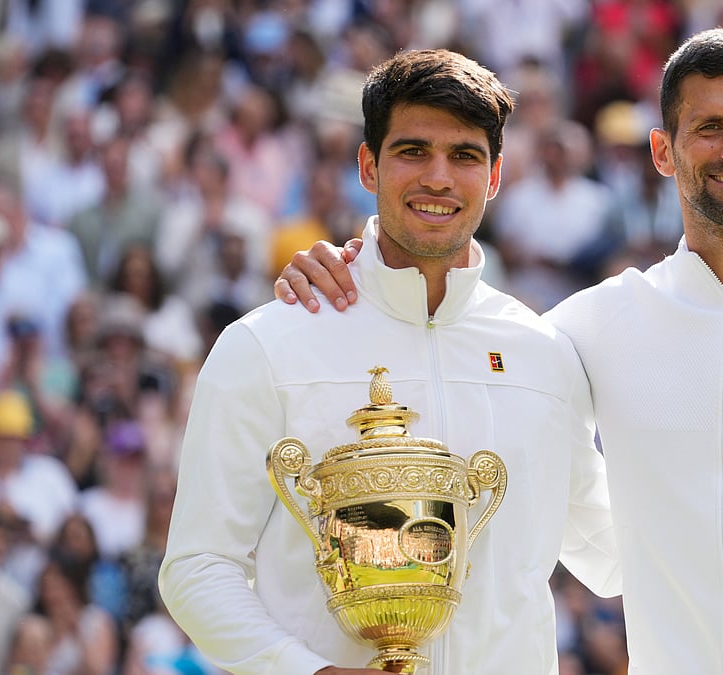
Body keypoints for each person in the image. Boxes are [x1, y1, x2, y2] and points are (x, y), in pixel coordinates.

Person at [277, 29, 723, 674]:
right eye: (709, 127)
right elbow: (446, 345)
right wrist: (358, 277)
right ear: (663, 151)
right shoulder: (589, 327)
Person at [158, 49, 620, 675]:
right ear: (368, 166)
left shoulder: (544, 354)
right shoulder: (267, 344)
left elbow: (611, 555)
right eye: (413, 151)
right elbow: (198, 567)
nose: (438, 178)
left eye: (464, 156)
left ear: (495, 175)